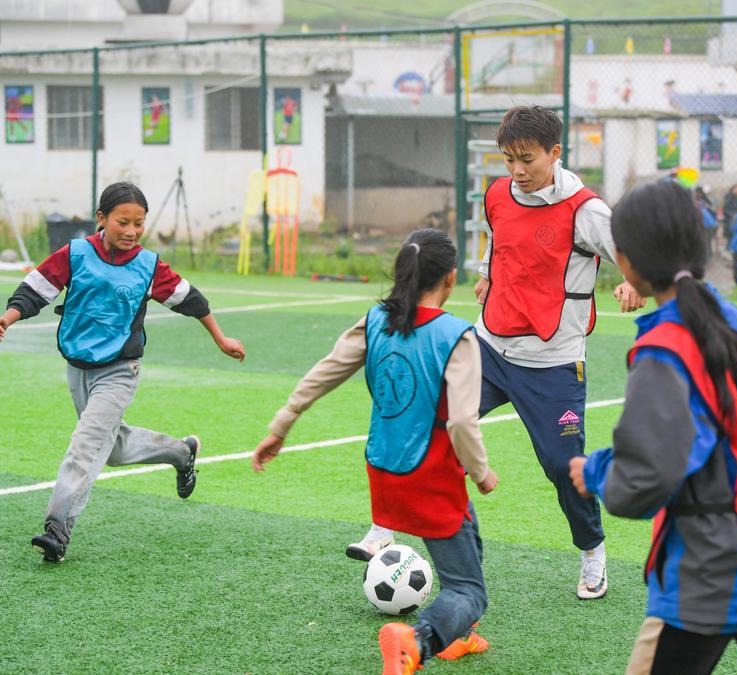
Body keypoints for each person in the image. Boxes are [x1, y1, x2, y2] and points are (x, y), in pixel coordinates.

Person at [348, 105, 644, 601]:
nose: (517, 171)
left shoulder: (585, 209)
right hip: (489, 346)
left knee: (561, 465)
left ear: (555, 153)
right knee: (430, 419)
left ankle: (592, 548)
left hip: (552, 361)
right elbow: (496, 237)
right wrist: (487, 270)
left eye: (527, 160)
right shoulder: (498, 193)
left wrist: (633, 282)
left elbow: (630, 253)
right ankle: (387, 524)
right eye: (508, 159)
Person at [569, 180, 737, 674]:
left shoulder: (665, 348)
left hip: (712, 568)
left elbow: (646, 475)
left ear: (626, 259)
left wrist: (593, 473)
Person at [251, 229, 498, 673]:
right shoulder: (457, 335)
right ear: (451, 278)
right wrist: (481, 471)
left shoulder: (375, 321)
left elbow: (323, 373)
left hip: (384, 471)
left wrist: (281, 425)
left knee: (467, 533)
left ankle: (460, 633)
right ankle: (418, 641)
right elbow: (462, 421)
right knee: (468, 590)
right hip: (432, 473)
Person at [0, 182, 246, 563]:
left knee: (86, 445)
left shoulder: (149, 266)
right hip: (79, 367)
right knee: (110, 449)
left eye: (139, 223)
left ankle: (57, 529)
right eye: (122, 222)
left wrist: (220, 337)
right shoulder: (76, 253)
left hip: (120, 370)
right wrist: (8, 318)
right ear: (101, 219)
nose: (131, 231)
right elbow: (36, 289)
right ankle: (181, 452)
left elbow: (191, 300)